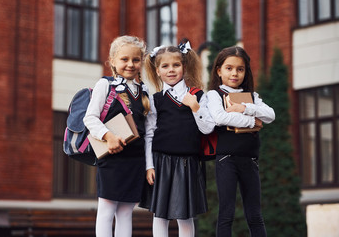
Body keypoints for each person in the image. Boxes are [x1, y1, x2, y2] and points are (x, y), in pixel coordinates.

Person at [139, 41, 215, 237]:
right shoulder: (155, 99)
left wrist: (195, 107)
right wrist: (149, 166)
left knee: (185, 216)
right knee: (160, 215)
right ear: (157, 70)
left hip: (187, 163)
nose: (171, 70)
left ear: (184, 66)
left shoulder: (197, 95)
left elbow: (207, 129)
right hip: (161, 162)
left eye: (176, 65)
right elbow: (149, 133)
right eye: (165, 66)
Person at [83, 35, 150, 237]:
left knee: (126, 211)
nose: (130, 64)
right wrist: (108, 136)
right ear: (112, 61)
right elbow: (90, 118)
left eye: (136, 60)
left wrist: (148, 164)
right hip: (112, 157)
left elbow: (149, 130)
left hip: (135, 160)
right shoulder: (105, 85)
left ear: (141, 62)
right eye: (124, 59)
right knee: (107, 209)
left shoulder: (145, 91)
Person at [206, 46, 275, 237]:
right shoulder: (214, 95)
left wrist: (244, 107)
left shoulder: (252, 97)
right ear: (219, 70)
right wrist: (254, 122)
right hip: (226, 159)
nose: (234, 73)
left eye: (240, 69)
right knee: (226, 213)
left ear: (246, 72)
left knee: (255, 214)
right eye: (229, 68)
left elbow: (270, 115)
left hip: (250, 160)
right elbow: (220, 118)